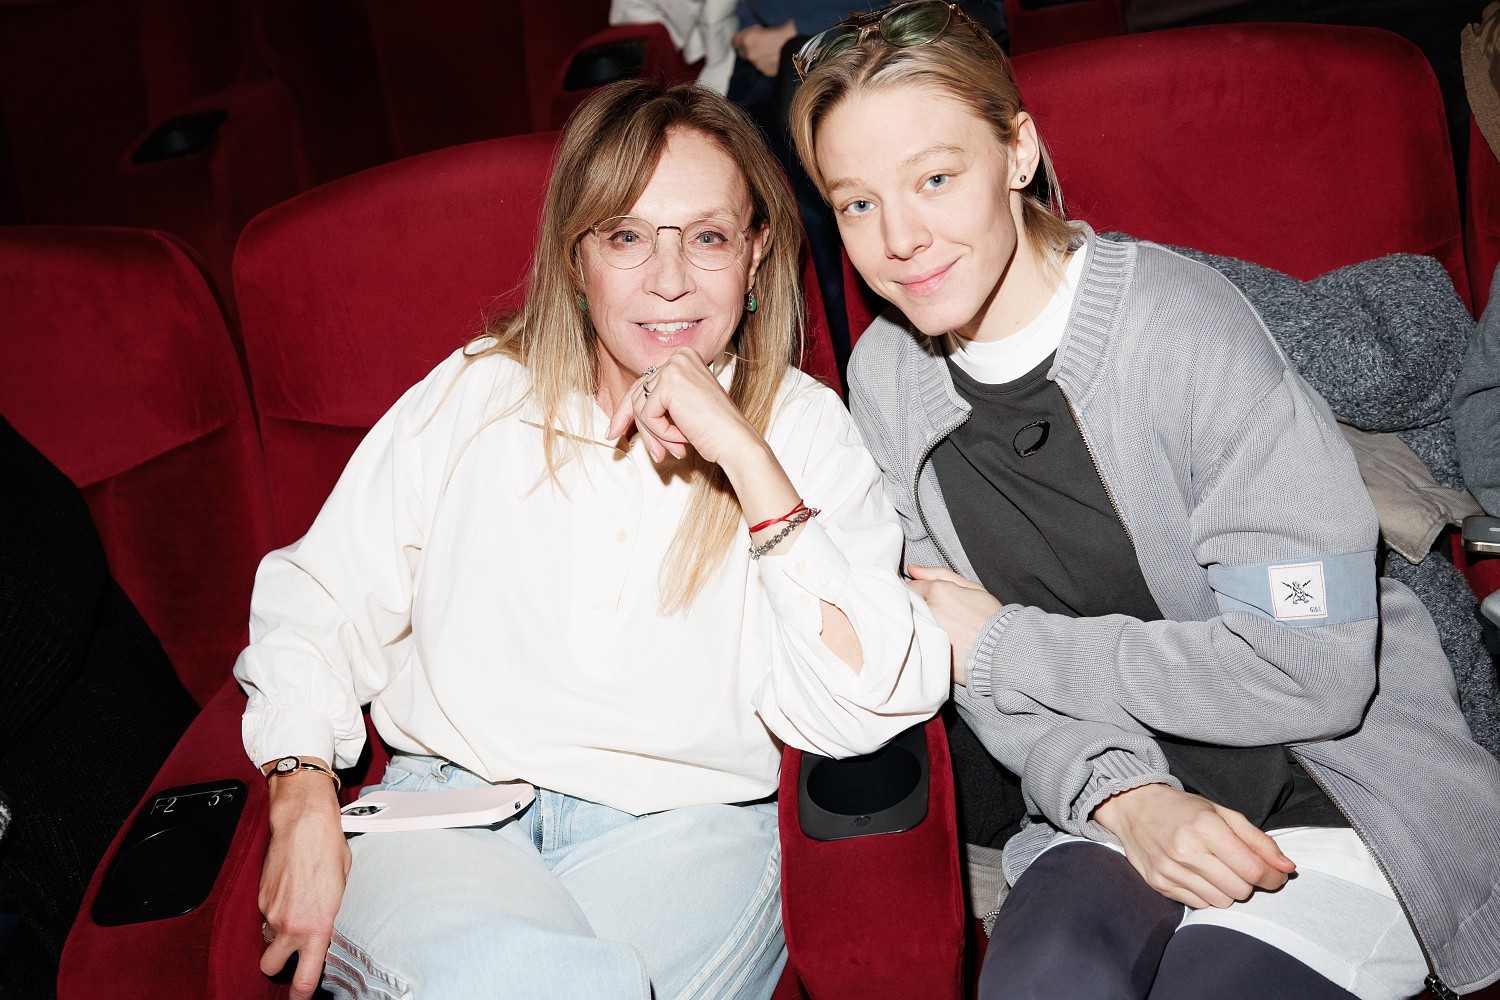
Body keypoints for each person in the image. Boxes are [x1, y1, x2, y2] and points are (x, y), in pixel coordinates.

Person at [789, 3, 1500, 998]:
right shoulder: (888, 379)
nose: (900, 239)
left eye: (935, 179)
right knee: (1047, 980)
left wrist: (1010, 644)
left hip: (1336, 791)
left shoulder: (1182, 331)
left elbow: (1311, 671)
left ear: (1018, 153)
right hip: (1106, 798)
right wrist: (1123, 797)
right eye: (857, 203)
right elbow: (957, 657)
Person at [235, 78, 948, 1000]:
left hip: (688, 833)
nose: (669, 279)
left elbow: (866, 703)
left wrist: (743, 452)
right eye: (626, 237)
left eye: (707, 237)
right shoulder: (480, 391)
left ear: (756, 252)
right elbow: (318, 599)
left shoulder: (803, 431)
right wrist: (299, 789)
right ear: (577, 258)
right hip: (447, 818)